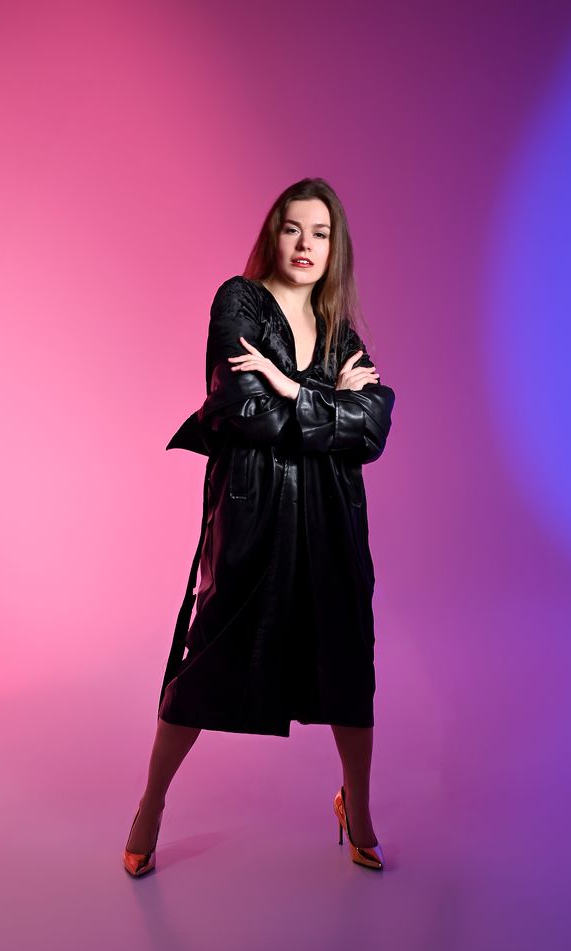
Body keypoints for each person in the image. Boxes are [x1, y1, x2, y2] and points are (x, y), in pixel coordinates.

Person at [123, 178, 396, 877]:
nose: (306, 245)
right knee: (207, 659)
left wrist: (289, 385)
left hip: (332, 523)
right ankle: (151, 803)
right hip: (252, 514)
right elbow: (244, 409)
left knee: (347, 665)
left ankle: (358, 809)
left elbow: (372, 430)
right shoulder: (238, 302)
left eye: (321, 233)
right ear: (273, 235)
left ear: (335, 248)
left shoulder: (341, 334)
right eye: (293, 228)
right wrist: (325, 405)